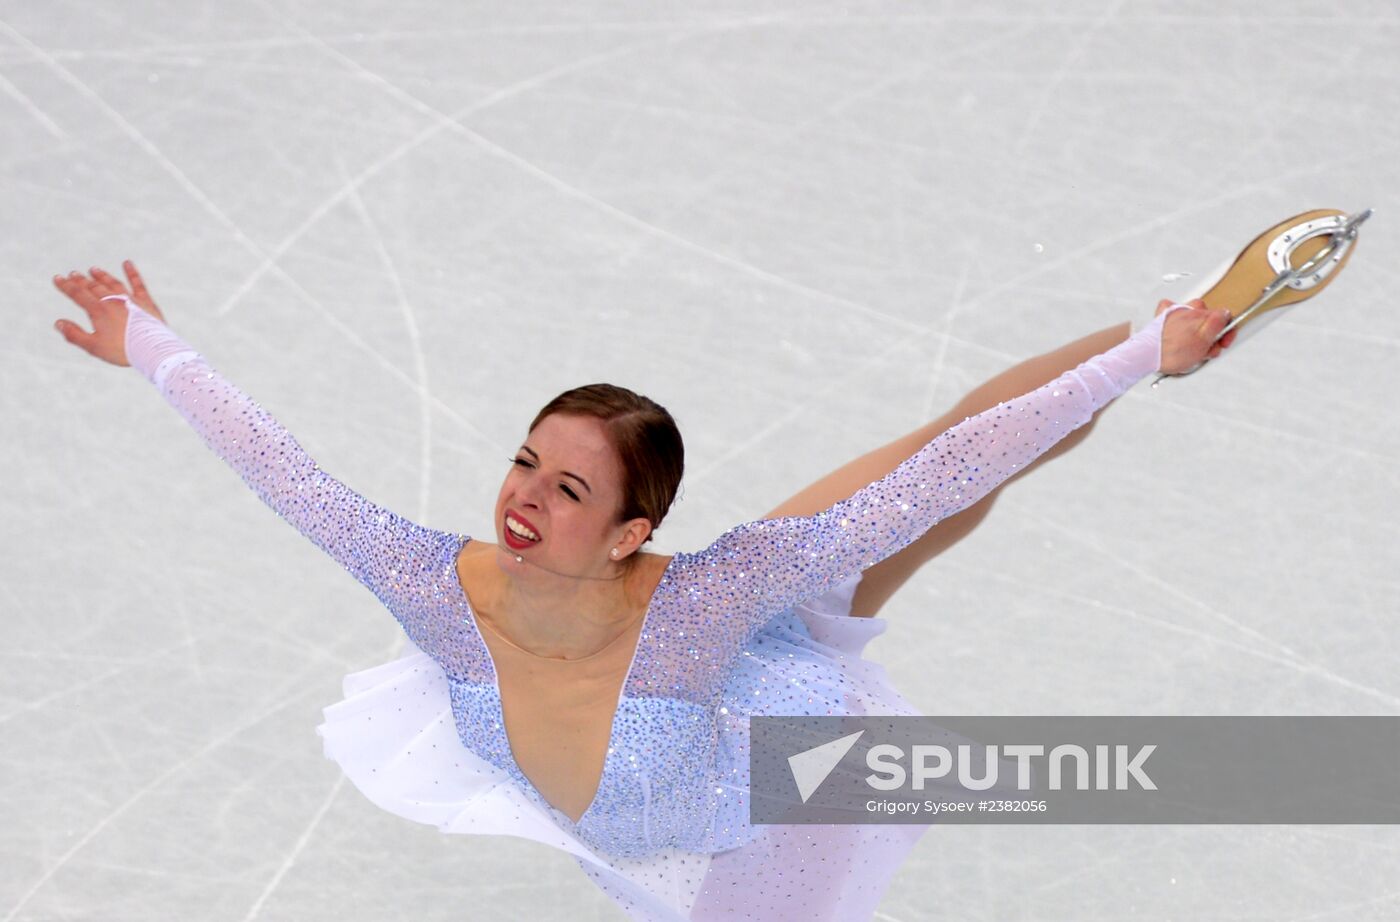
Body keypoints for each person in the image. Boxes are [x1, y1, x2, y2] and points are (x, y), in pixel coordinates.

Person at [51, 262, 1232, 920]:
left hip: (774, 747)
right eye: (524, 459)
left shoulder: (711, 597)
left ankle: (1161, 325)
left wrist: (1139, 360)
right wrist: (149, 344)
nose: (521, 497)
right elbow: (279, 469)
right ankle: (1150, 335)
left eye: (566, 488)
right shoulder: (429, 581)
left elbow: (938, 476)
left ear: (629, 533)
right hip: (676, 833)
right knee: (943, 464)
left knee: (956, 459)